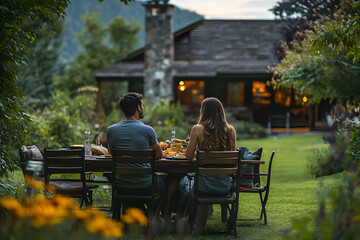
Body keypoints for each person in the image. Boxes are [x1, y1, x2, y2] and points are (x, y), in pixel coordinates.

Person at [181, 97, 237, 234]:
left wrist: (197, 152)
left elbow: (188, 157)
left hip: (202, 186)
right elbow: (232, 159)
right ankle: (200, 221)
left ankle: (190, 221)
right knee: (204, 183)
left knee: (181, 182)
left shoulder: (197, 129)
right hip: (224, 187)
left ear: (203, 112)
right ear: (221, 112)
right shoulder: (231, 130)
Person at [106, 92, 163, 209]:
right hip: (144, 184)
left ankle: (134, 211)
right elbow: (158, 155)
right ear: (138, 108)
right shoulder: (148, 130)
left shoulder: (111, 130)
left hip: (121, 183)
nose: (143, 108)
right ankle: (155, 216)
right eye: (142, 105)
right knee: (163, 180)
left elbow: (111, 153)